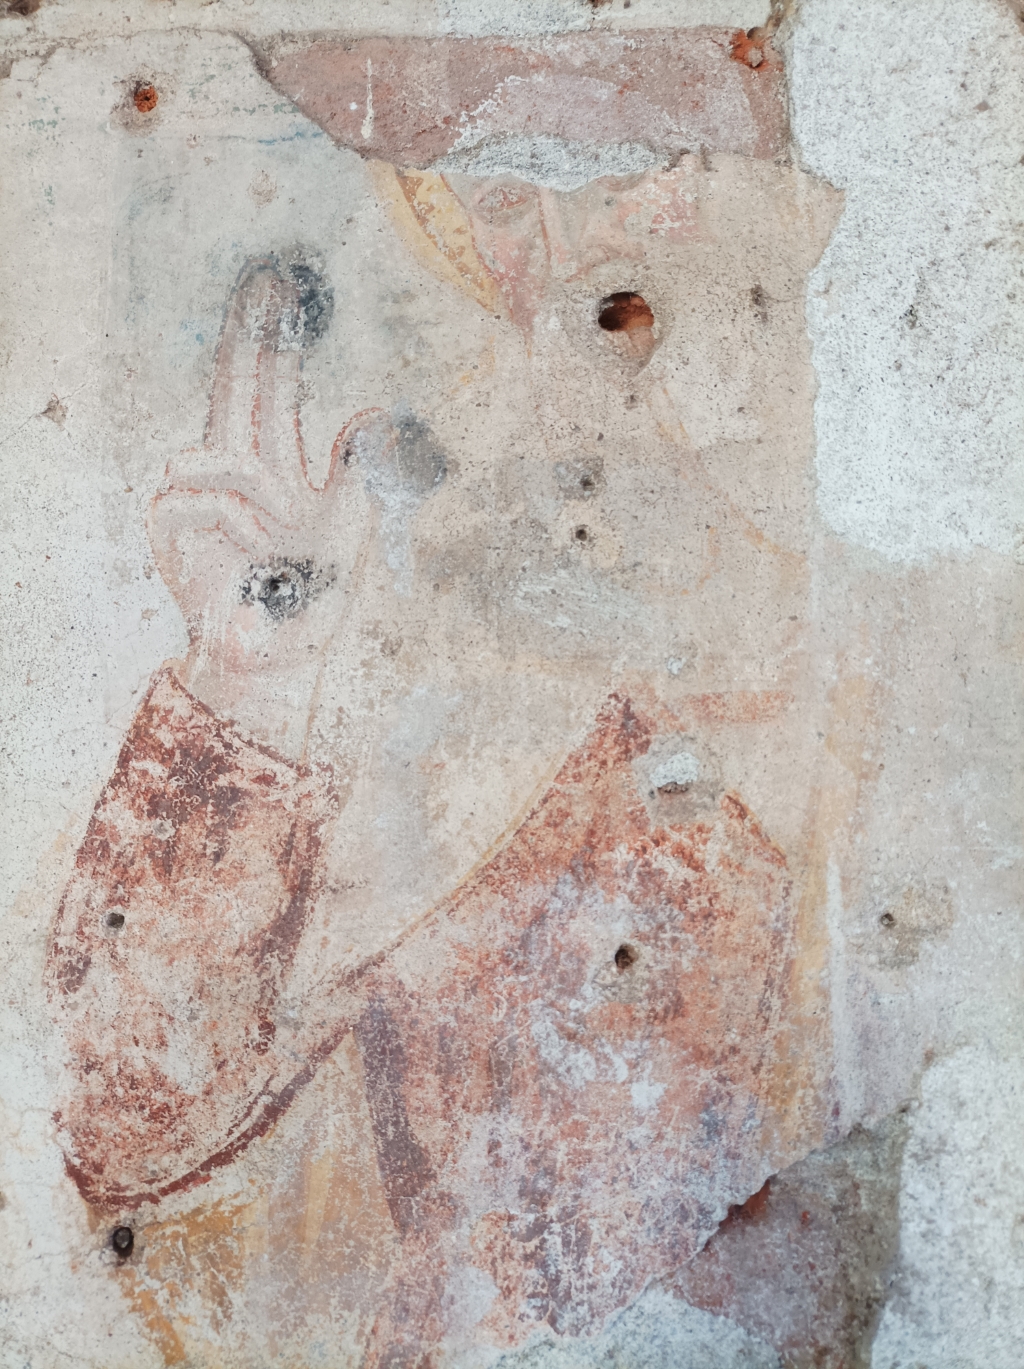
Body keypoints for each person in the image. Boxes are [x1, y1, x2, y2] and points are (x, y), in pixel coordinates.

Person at [45, 52, 843, 1363]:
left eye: (632, 184)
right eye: (511, 203)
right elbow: (128, 1134)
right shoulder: (433, 648)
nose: (582, 262)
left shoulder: (871, 622)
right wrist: (247, 683)